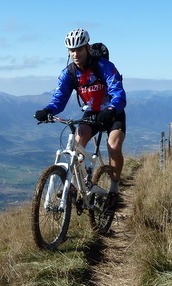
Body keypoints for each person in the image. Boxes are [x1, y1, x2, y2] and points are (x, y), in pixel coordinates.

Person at [34, 28, 127, 213]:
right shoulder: (69, 73)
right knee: (78, 140)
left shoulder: (104, 66)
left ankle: (114, 191)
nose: (75, 54)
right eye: (71, 51)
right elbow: (59, 98)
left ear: (87, 48)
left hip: (112, 113)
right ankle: (77, 184)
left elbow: (118, 92)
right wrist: (47, 110)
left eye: (79, 50)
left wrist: (111, 108)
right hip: (92, 112)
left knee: (114, 147)